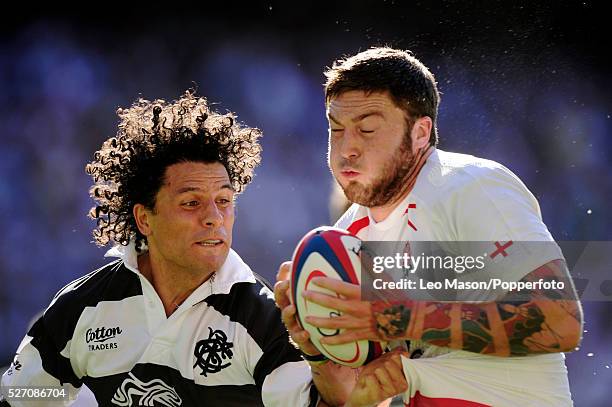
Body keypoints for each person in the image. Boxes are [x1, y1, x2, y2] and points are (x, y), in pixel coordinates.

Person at [275, 47, 583, 406]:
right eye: (336, 129)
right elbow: (350, 395)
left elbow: (560, 321)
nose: (347, 148)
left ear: (420, 132)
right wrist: (316, 349)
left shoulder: (470, 186)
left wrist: (397, 318)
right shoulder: (348, 234)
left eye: (368, 129)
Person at [1, 91, 328, 406]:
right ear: (144, 219)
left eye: (224, 201)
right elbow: (21, 399)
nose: (214, 218)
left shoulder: (263, 316)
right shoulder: (84, 307)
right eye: (191, 203)